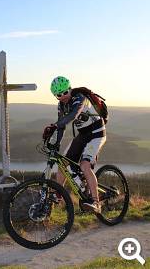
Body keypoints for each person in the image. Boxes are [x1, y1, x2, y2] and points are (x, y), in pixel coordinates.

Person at [44, 76, 106, 213]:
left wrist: (55, 125)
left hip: (97, 133)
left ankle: (96, 202)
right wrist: (55, 144)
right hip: (83, 134)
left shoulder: (80, 97)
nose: (63, 96)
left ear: (70, 89)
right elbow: (61, 127)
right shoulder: (61, 105)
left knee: (85, 165)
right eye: (58, 95)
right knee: (62, 163)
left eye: (65, 92)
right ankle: (59, 194)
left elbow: (73, 115)